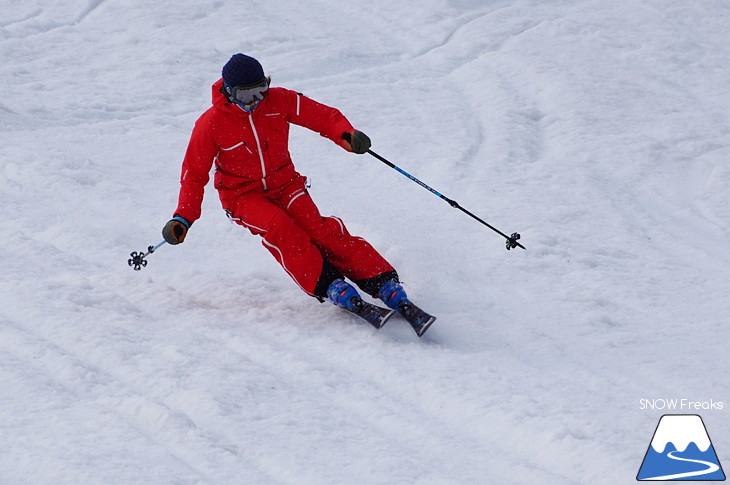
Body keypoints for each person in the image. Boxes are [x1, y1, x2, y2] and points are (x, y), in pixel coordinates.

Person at [162, 53, 423, 323]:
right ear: (230, 93)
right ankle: (330, 285)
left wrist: (346, 135)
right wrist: (184, 216)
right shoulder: (210, 124)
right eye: (245, 94)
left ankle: (382, 281)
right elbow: (193, 174)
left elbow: (322, 116)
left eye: (260, 90)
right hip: (241, 196)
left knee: (319, 229)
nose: (254, 101)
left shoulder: (279, 101)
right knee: (281, 227)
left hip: (285, 183)